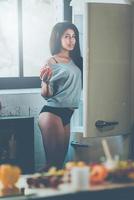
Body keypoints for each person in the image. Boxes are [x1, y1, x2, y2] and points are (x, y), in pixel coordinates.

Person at [38, 21, 83, 170]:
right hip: (52, 113)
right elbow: (46, 94)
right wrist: (45, 82)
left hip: (67, 115)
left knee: (58, 165)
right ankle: (33, 189)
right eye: (67, 37)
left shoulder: (76, 61)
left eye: (74, 37)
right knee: (52, 164)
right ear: (58, 38)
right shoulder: (51, 62)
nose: (71, 40)